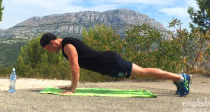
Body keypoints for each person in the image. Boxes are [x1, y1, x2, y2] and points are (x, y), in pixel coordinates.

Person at [40, 32, 192, 97]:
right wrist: (70, 86)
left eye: (48, 48)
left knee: (144, 72)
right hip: (109, 62)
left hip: (111, 63)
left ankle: (180, 78)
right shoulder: (67, 43)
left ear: (52, 42)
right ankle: (179, 78)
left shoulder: (67, 45)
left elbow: (75, 66)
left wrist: (73, 89)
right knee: (143, 71)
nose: (49, 51)